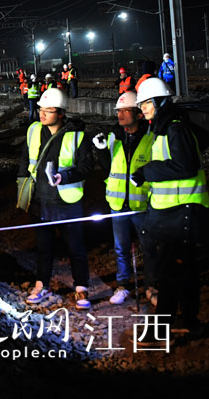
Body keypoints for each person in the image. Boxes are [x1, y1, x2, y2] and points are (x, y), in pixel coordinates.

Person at [132, 77, 208, 338]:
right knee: (184, 271)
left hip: (181, 213)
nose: (142, 108)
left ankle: (157, 333)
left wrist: (145, 171)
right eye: (141, 104)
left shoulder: (174, 128)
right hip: (175, 213)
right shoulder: (168, 127)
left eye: (146, 103)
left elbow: (185, 166)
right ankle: (190, 321)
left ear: (159, 102)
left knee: (169, 274)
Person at [20, 87, 93, 309]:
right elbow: (25, 162)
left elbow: (86, 167)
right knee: (44, 247)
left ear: (60, 113)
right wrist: (22, 192)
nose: (41, 114)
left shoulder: (77, 136)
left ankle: (81, 288)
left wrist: (66, 176)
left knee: (76, 247)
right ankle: (41, 285)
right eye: (41, 109)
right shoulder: (34, 131)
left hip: (67, 202)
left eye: (48, 111)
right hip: (41, 201)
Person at [92, 91, 151, 305]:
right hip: (118, 203)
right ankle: (123, 285)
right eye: (119, 111)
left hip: (142, 203)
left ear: (139, 114)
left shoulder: (150, 138)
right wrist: (100, 151)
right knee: (121, 248)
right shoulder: (113, 137)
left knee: (149, 247)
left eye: (126, 110)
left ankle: (152, 287)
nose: (121, 115)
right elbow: (108, 167)